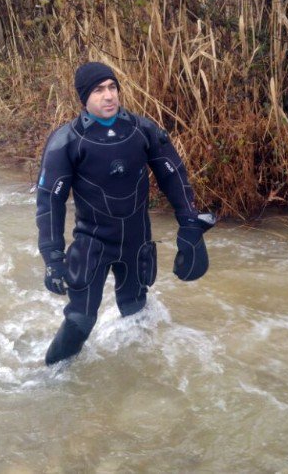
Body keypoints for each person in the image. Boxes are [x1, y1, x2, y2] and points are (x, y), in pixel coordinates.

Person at [35, 61, 215, 365]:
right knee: (80, 320)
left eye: (112, 87)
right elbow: (49, 202)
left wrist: (190, 224)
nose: (108, 96)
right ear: (84, 98)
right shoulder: (66, 142)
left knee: (137, 315)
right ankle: (49, 381)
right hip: (92, 243)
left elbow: (174, 176)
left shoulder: (142, 130)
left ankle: (138, 380)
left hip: (137, 242)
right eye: (98, 90)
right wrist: (52, 257)